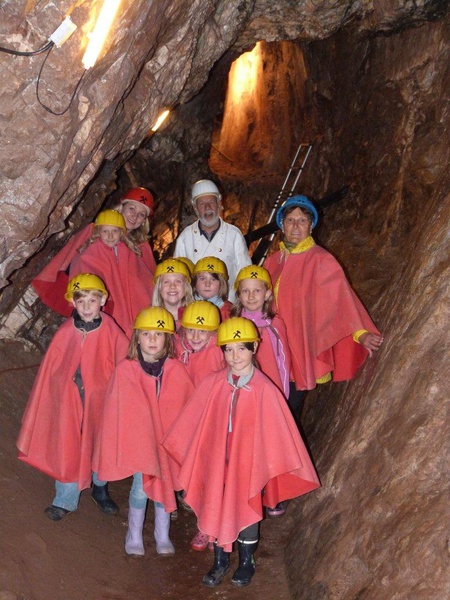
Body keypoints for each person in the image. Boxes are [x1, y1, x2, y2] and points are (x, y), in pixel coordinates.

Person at [163, 317, 320, 588]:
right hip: (217, 462)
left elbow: (277, 433)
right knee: (214, 502)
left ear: (254, 348)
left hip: (248, 466)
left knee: (246, 506)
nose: (235, 356)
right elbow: (195, 422)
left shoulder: (265, 390)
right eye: (228, 350)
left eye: (241, 349)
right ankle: (220, 560)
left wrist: (265, 465)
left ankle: (247, 561)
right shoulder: (213, 383)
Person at [17, 274, 129, 521]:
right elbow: (53, 368)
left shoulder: (111, 329)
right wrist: (62, 388)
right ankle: (64, 499)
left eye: (92, 300)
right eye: (81, 301)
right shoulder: (66, 330)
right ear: (73, 303)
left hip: (101, 403)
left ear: (103, 300)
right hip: (70, 402)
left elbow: (125, 365)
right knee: (67, 445)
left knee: (101, 445)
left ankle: (100, 488)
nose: (87, 306)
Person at [264, 195, 384, 420]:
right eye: (290, 220)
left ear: (311, 226)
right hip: (273, 348)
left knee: (289, 407)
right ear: (282, 225)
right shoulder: (273, 261)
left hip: (301, 346)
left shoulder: (321, 260)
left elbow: (341, 300)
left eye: (302, 220)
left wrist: (361, 333)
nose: (296, 226)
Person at [94, 307, 195, 556]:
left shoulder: (176, 370)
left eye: (158, 334)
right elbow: (117, 412)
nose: (152, 339)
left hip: (166, 444)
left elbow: (186, 409)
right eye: (146, 334)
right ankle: (134, 533)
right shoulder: (126, 370)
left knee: (165, 485)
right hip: (140, 443)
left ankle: (162, 534)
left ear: (167, 339)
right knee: (141, 488)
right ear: (137, 337)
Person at [32, 187, 156, 317]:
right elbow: (79, 260)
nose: (134, 216)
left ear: (144, 221)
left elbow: (148, 283)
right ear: (122, 207)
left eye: (141, 214)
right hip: (99, 301)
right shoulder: (95, 231)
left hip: (130, 307)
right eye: (132, 208)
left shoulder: (142, 247)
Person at [69, 210, 154, 336]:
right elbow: (83, 277)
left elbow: (140, 277)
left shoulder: (127, 250)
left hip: (128, 300)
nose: (110, 236)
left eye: (114, 231)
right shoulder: (91, 252)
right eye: (105, 231)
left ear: (121, 233)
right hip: (106, 304)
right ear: (98, 232)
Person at [174, 179, 251, 300]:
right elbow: (177, 276)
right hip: (194, 305)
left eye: (211, 202)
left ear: (219, 204)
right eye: (201, 204)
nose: (207, 207)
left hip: (228, 303)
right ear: (195, 208)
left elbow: (245, 274)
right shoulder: (185, 237)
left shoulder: (234, 234)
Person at [152, 258, 193, 327]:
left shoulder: (196, 315)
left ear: (186, 287)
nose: (172, 286)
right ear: (159, 288)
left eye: (178, 281)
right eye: (166, 282)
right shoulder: (149, 318)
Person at [192, 256, 232, 321]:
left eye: (213, 279)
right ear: (195, 282)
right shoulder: (186, 306)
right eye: (202, 279)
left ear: (222, 284)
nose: (207, 284)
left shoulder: (229, 312)